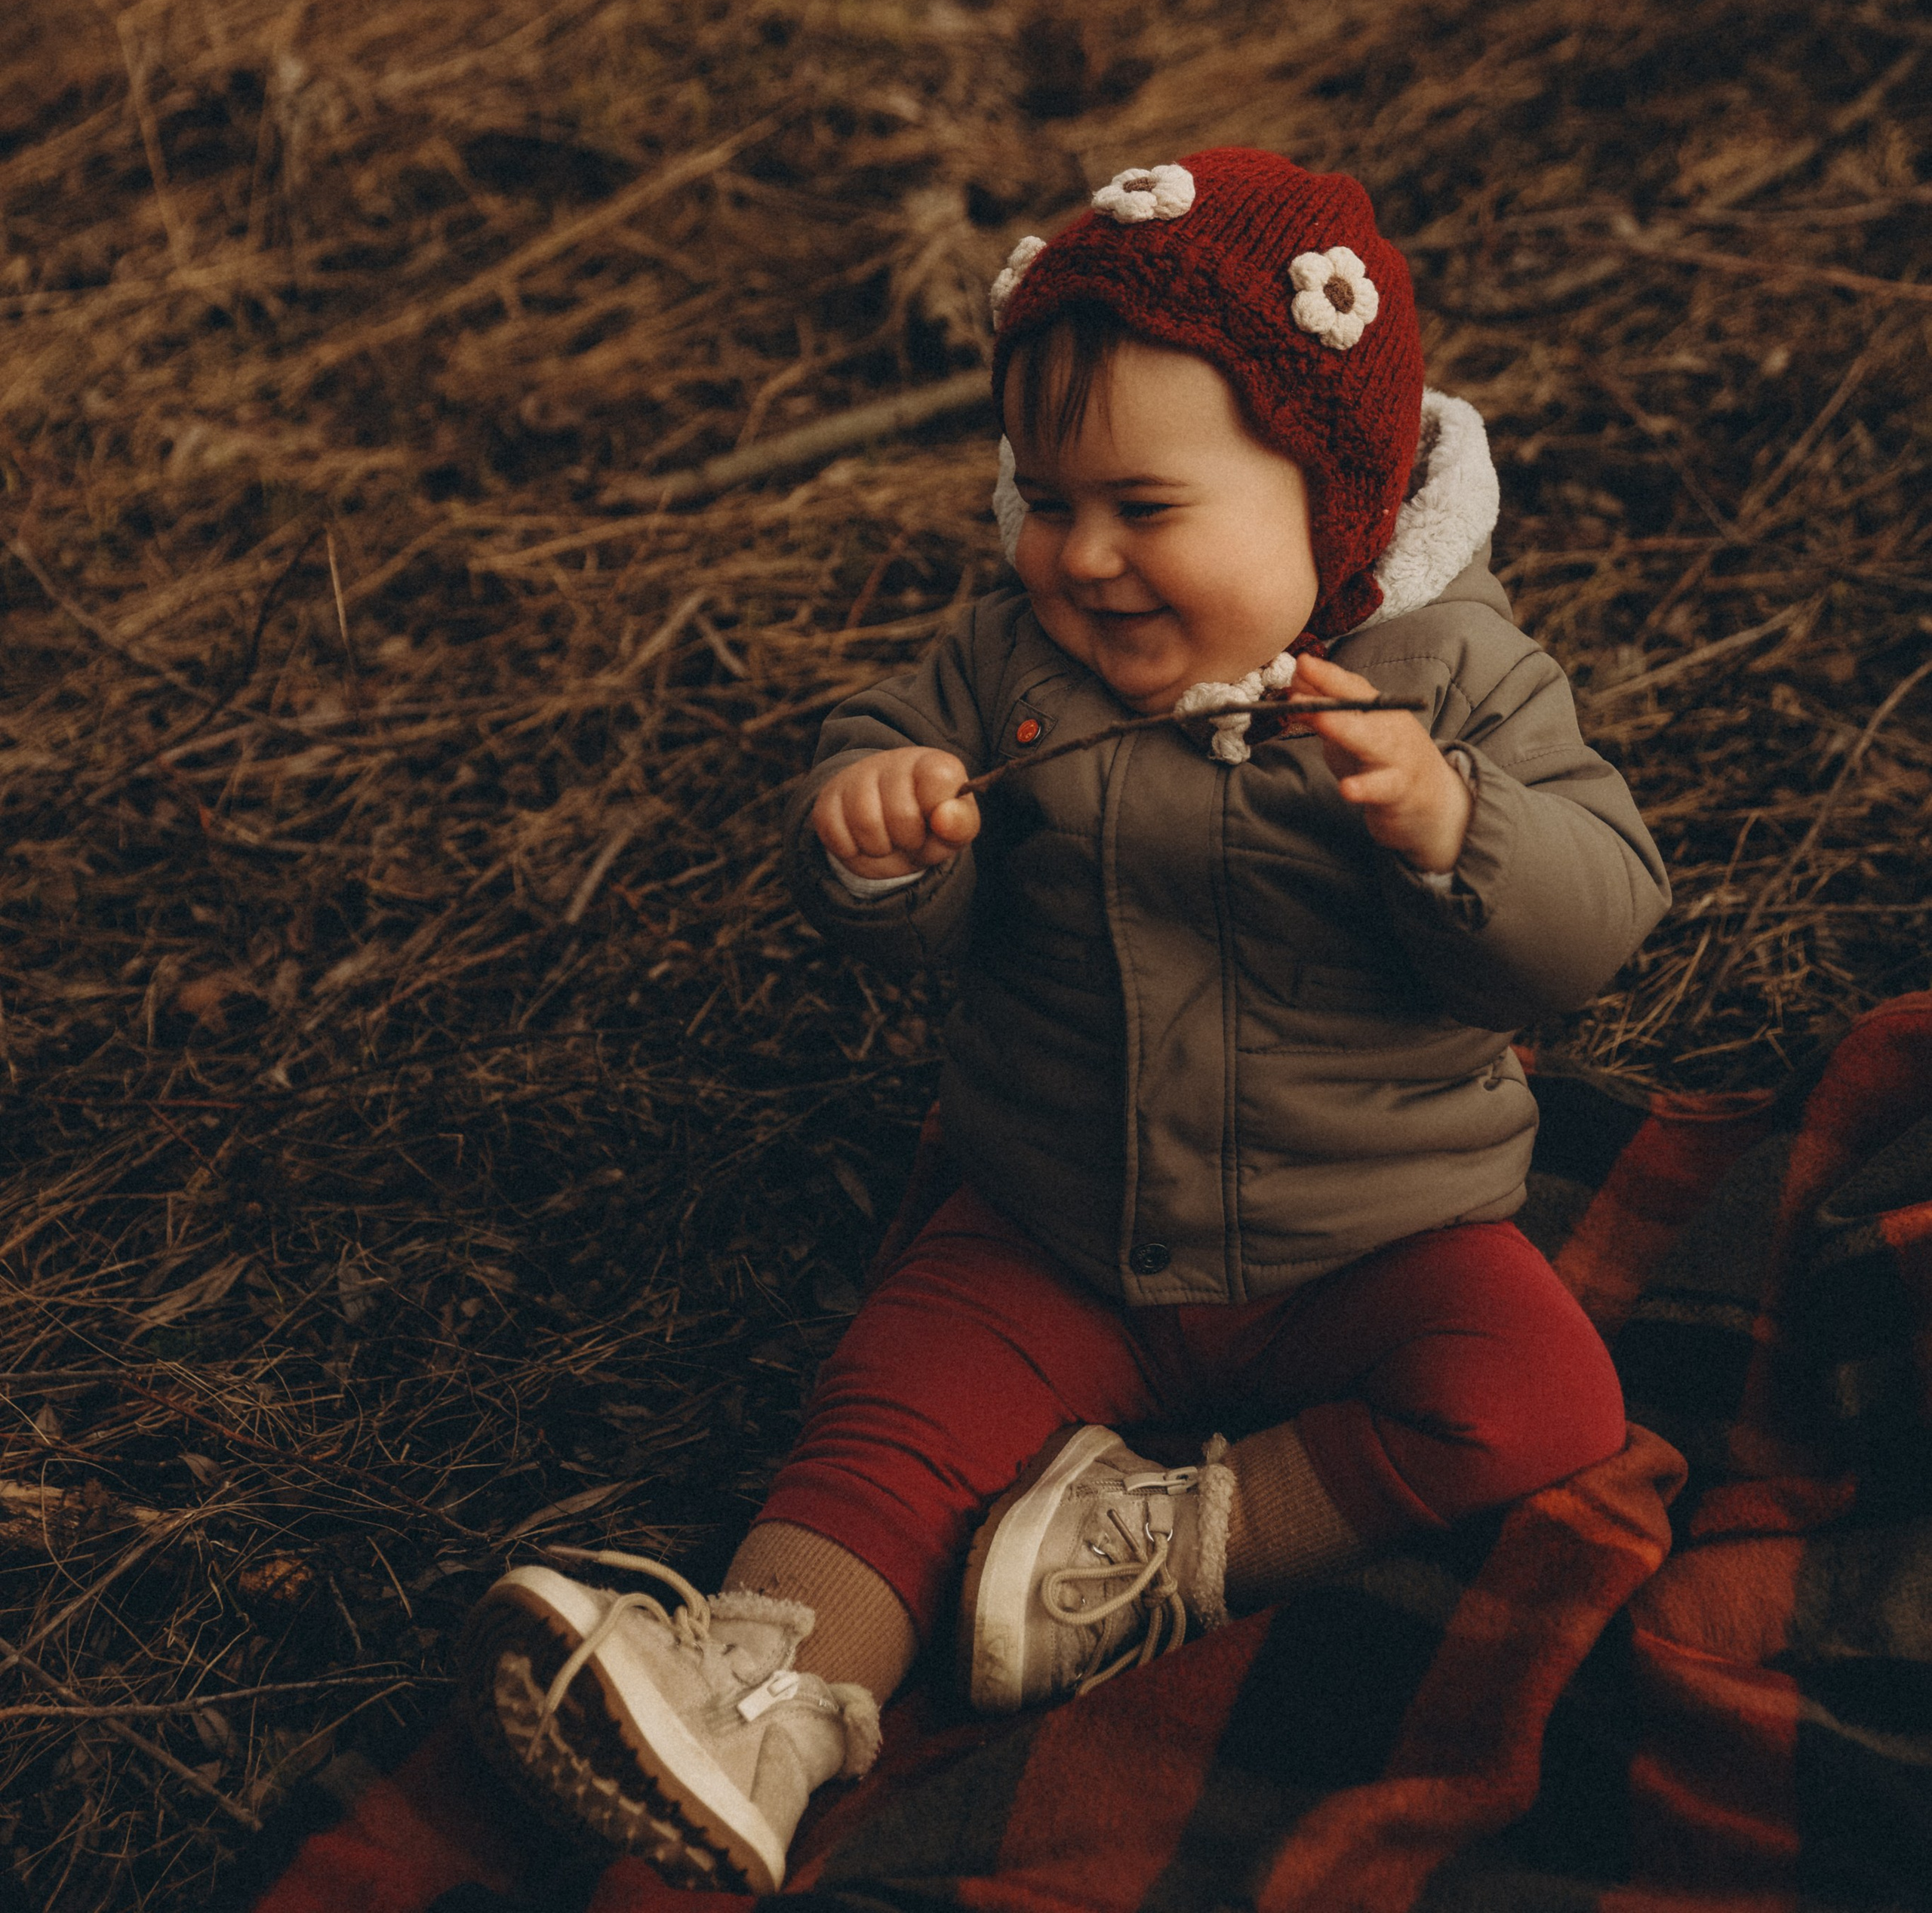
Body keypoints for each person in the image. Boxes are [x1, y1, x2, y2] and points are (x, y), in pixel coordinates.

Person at [458, 147, 1670, 1893]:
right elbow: (891, 893)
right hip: (1053, 1215)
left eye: (1143, 509)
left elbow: (1593, 920)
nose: (1078, 556)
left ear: (1332, 499)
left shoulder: (1456, 683)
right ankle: (753, 1701)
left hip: (1371, 1229)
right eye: (1043, 498)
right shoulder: (997, 667)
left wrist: (1451, 824)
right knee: (887, 1421)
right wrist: (877, 839)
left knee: (1539, 1394)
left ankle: (1156, 1541)